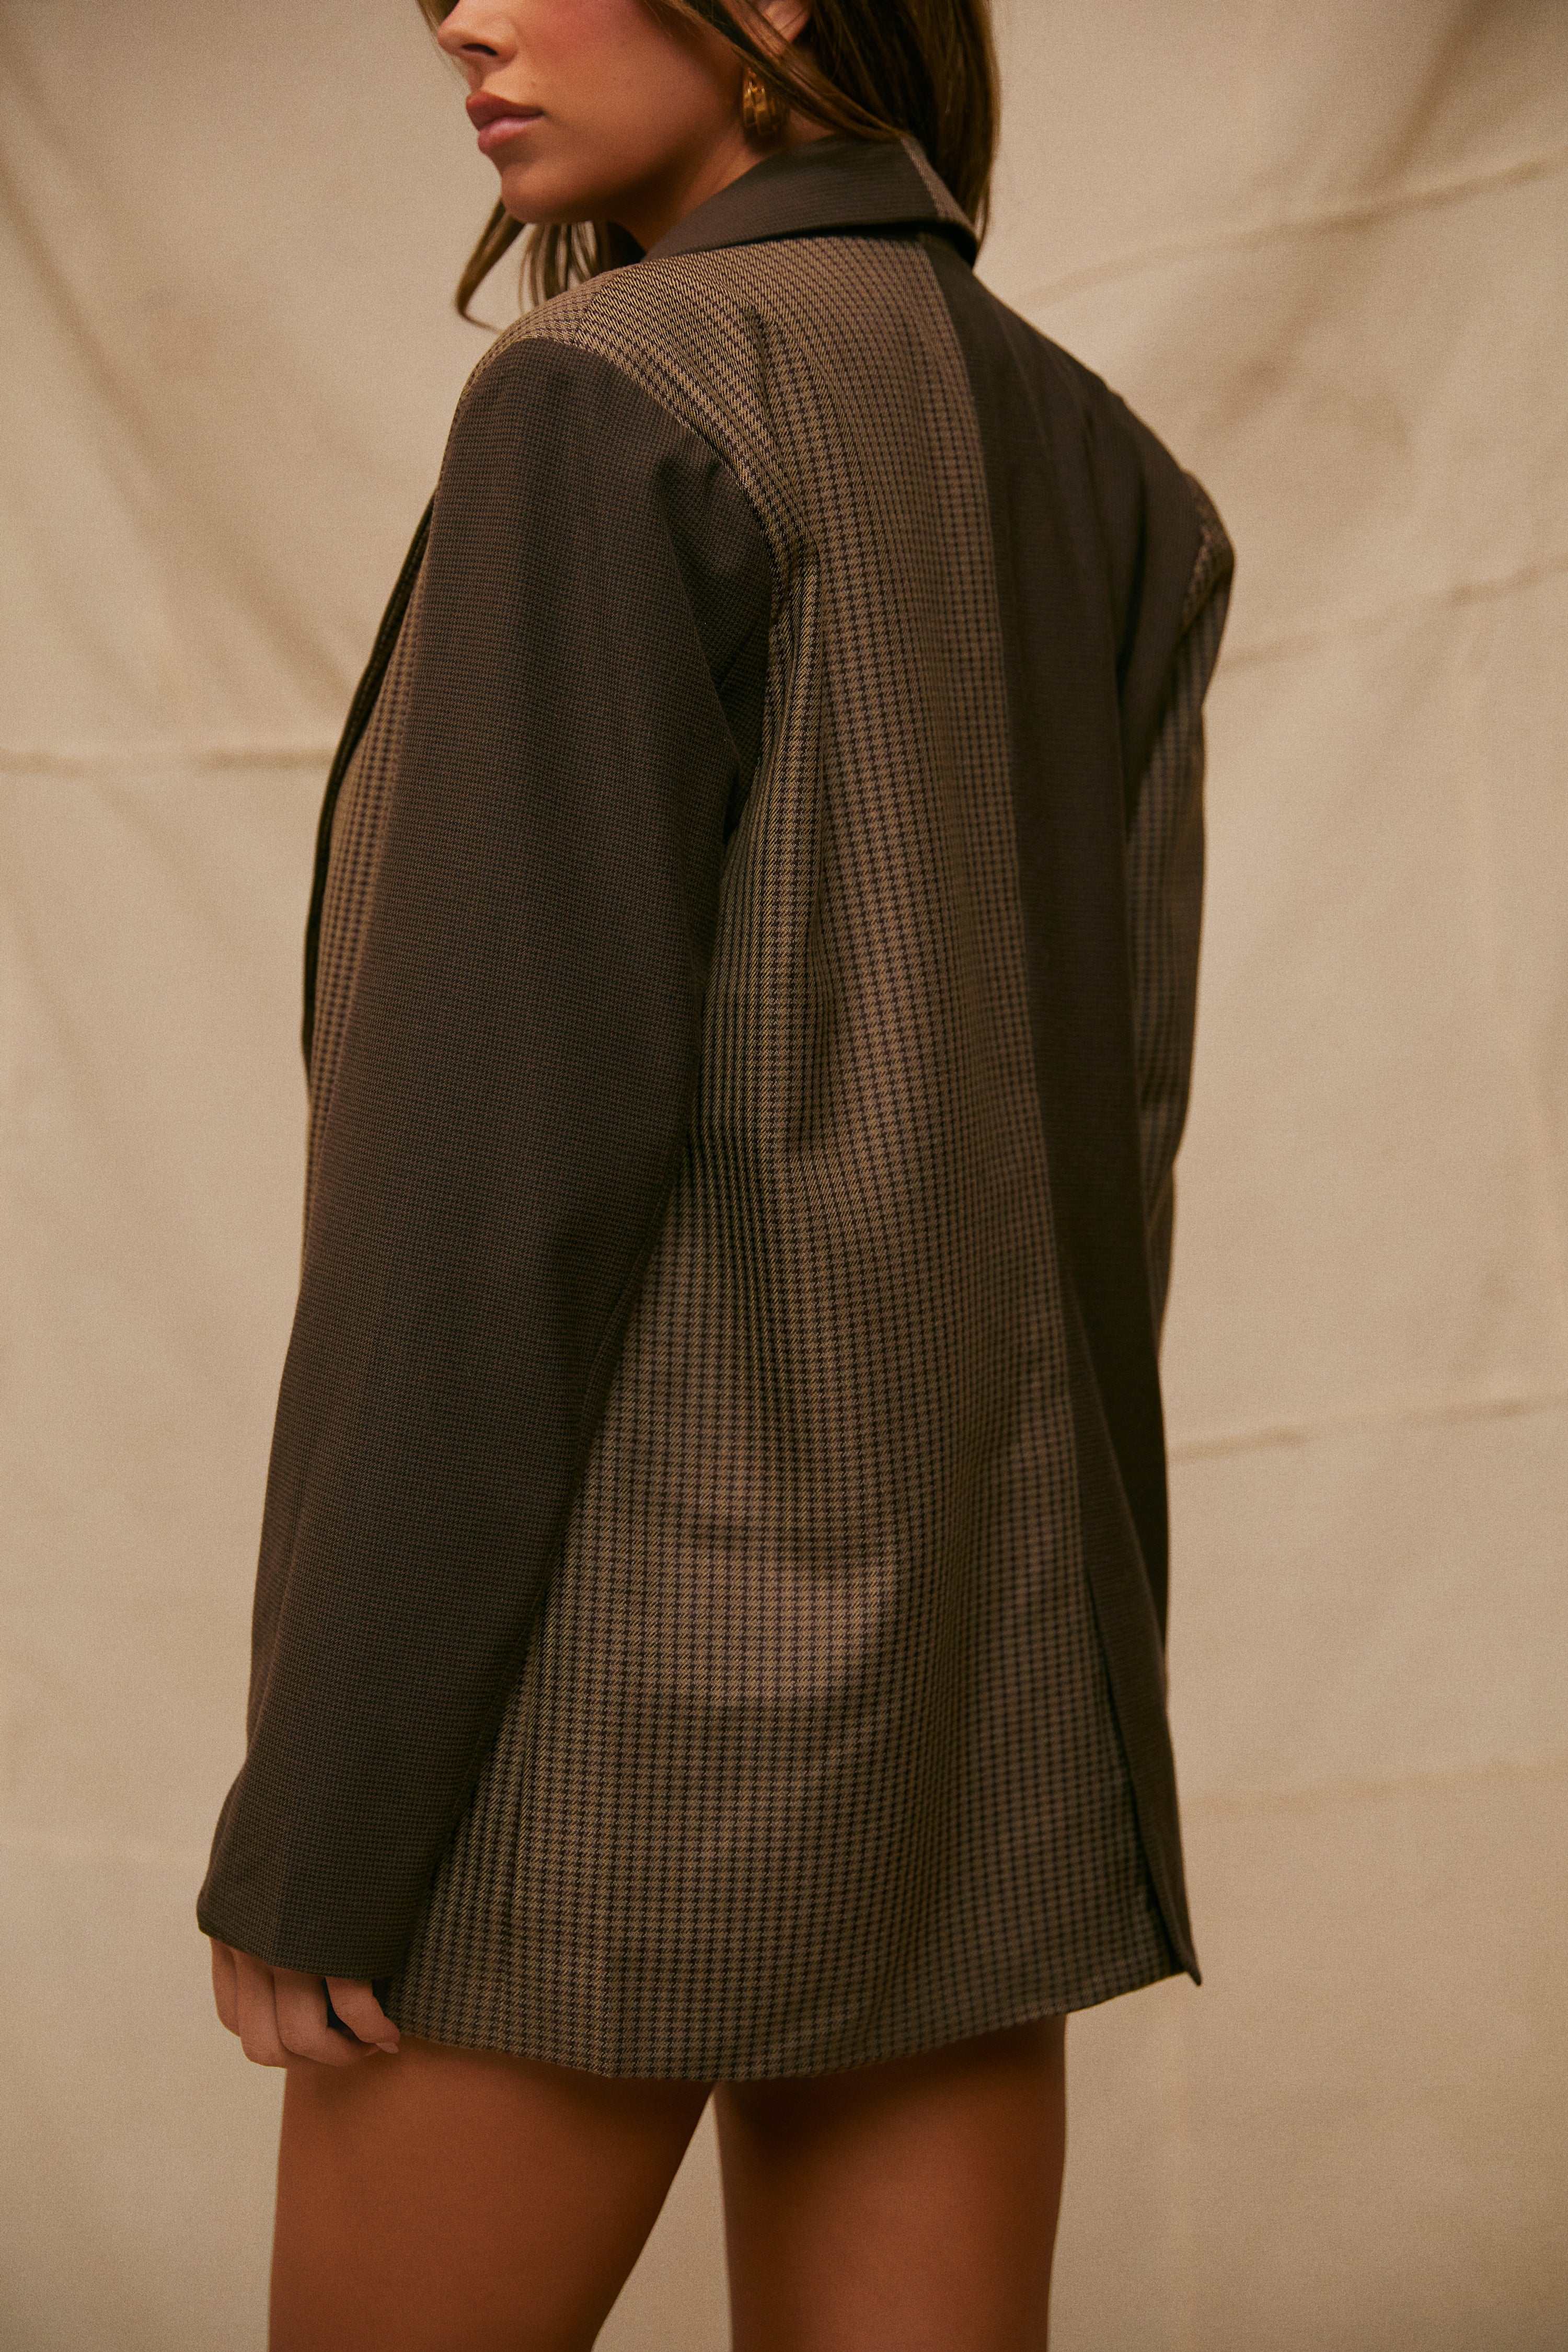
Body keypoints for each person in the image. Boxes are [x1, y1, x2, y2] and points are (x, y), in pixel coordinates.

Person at [198, 0, 1233, 2343]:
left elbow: (484, 1178)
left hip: (596, 1722)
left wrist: (332, 1808)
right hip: (977, 1726)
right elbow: (1115, 1152)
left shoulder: (610, 395)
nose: (461, 15)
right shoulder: (1109, 464)